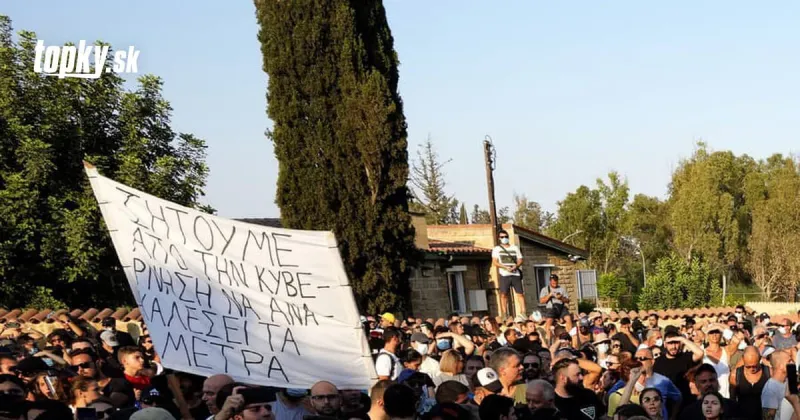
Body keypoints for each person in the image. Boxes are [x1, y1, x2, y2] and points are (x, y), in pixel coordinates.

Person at [653, 330, 704, 405]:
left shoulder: (686, 357)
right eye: (670, 343)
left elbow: (700, 353)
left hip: (687, 402)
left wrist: (682, 339)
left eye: (676, 343)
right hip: (667, 404)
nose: (674, 347)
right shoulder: (658, 362)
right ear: (665, 344)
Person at [729, 346, 769, 420]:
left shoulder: (769, 373)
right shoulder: (735, 375)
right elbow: (732, 400)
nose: (752, 369)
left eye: (755, 366)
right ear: (743, 359)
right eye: (748, 366)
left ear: (760, 358)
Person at [492, 229, 525, 319]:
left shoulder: (514, 247)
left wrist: (516, 266)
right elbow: (495, 262)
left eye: (506, 237)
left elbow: (520, 259)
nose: (504, 238)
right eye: (502, 237)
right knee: (503, 294)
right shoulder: (496, 249)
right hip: (504, 274)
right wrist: (504, 267)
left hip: (515, 273)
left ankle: (523, 312)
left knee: (520, 293)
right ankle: (504, 313)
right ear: (499, 238)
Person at [761, 350, 793, 420]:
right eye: (789, 361)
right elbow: (768, 417)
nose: (792, 363)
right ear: (780, 366)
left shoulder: (789, 380)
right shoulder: (770, 389)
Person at [540, 274, 572, 343]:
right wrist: (550, 295)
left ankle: (569, 338)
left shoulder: (562, 289)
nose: (555, 283)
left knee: (568, 318)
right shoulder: (545, 289)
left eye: (556, 281)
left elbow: (568, 301)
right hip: (551, 307)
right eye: (553, 282)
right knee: (548, 322)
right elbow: (541, 301)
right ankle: (549, 341)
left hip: (561, 307)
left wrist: (561, 298)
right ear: (550, 281)